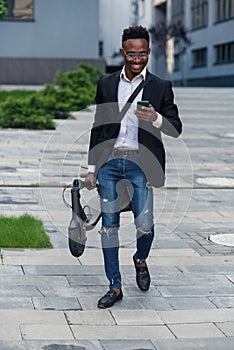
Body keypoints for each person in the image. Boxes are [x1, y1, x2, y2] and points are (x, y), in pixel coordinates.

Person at [86, 25, 182, 309]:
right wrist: (92, 169)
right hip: (110, 165)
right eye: (131, 54)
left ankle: (140, 260)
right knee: (109, 228)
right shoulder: (106, 84)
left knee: (145, 227)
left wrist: (155, 118)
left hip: (142, 166)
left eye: (142, 54)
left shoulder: (160, 87)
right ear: (122, 53)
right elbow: (98, 128)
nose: (137, 59)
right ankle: (114, 286)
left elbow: (176, 129)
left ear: (149, 52)